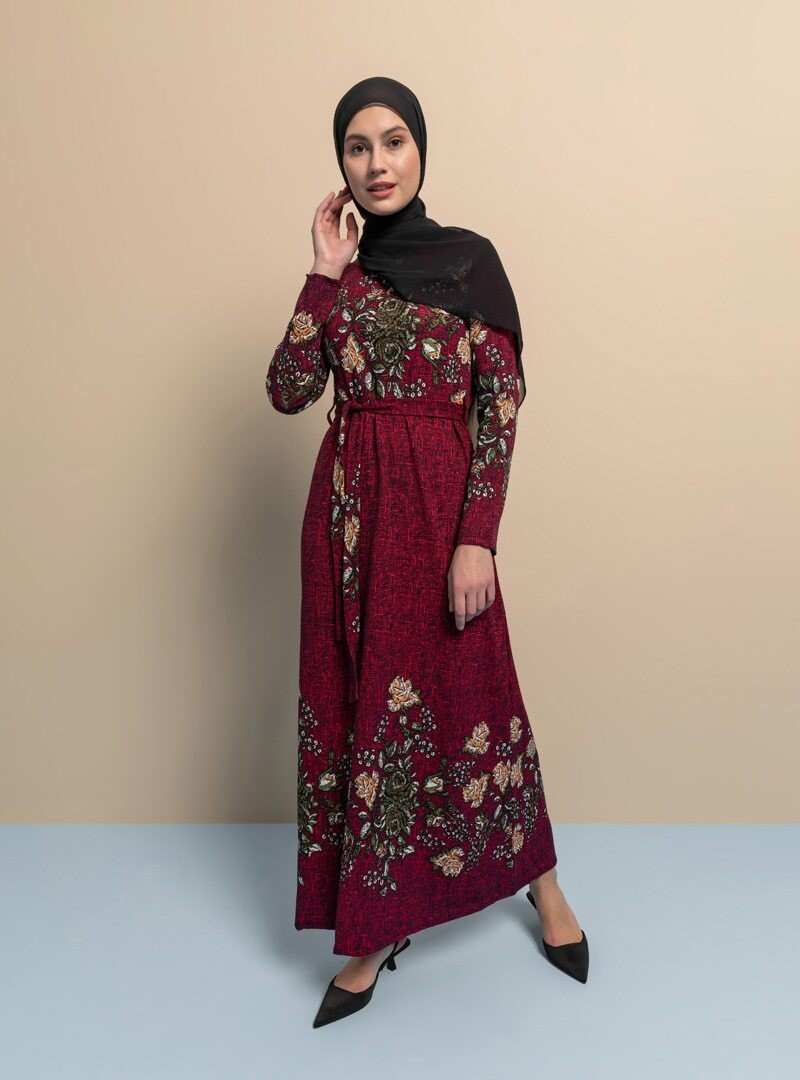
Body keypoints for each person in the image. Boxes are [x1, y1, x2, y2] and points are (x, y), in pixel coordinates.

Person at [266, 77, 588, 1027]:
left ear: (421, 150)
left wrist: (477, 538)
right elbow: (288, 391)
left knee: (479, 695)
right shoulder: (345, 275)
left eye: (394, 141)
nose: (377, 164)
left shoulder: (470, 263)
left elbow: (501, 410)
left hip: (440, 517)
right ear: (342, 165)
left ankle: (543, 883)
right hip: (346, 527)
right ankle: (379, 922)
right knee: (365, 710)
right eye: (357, 147)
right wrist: (321, 274)